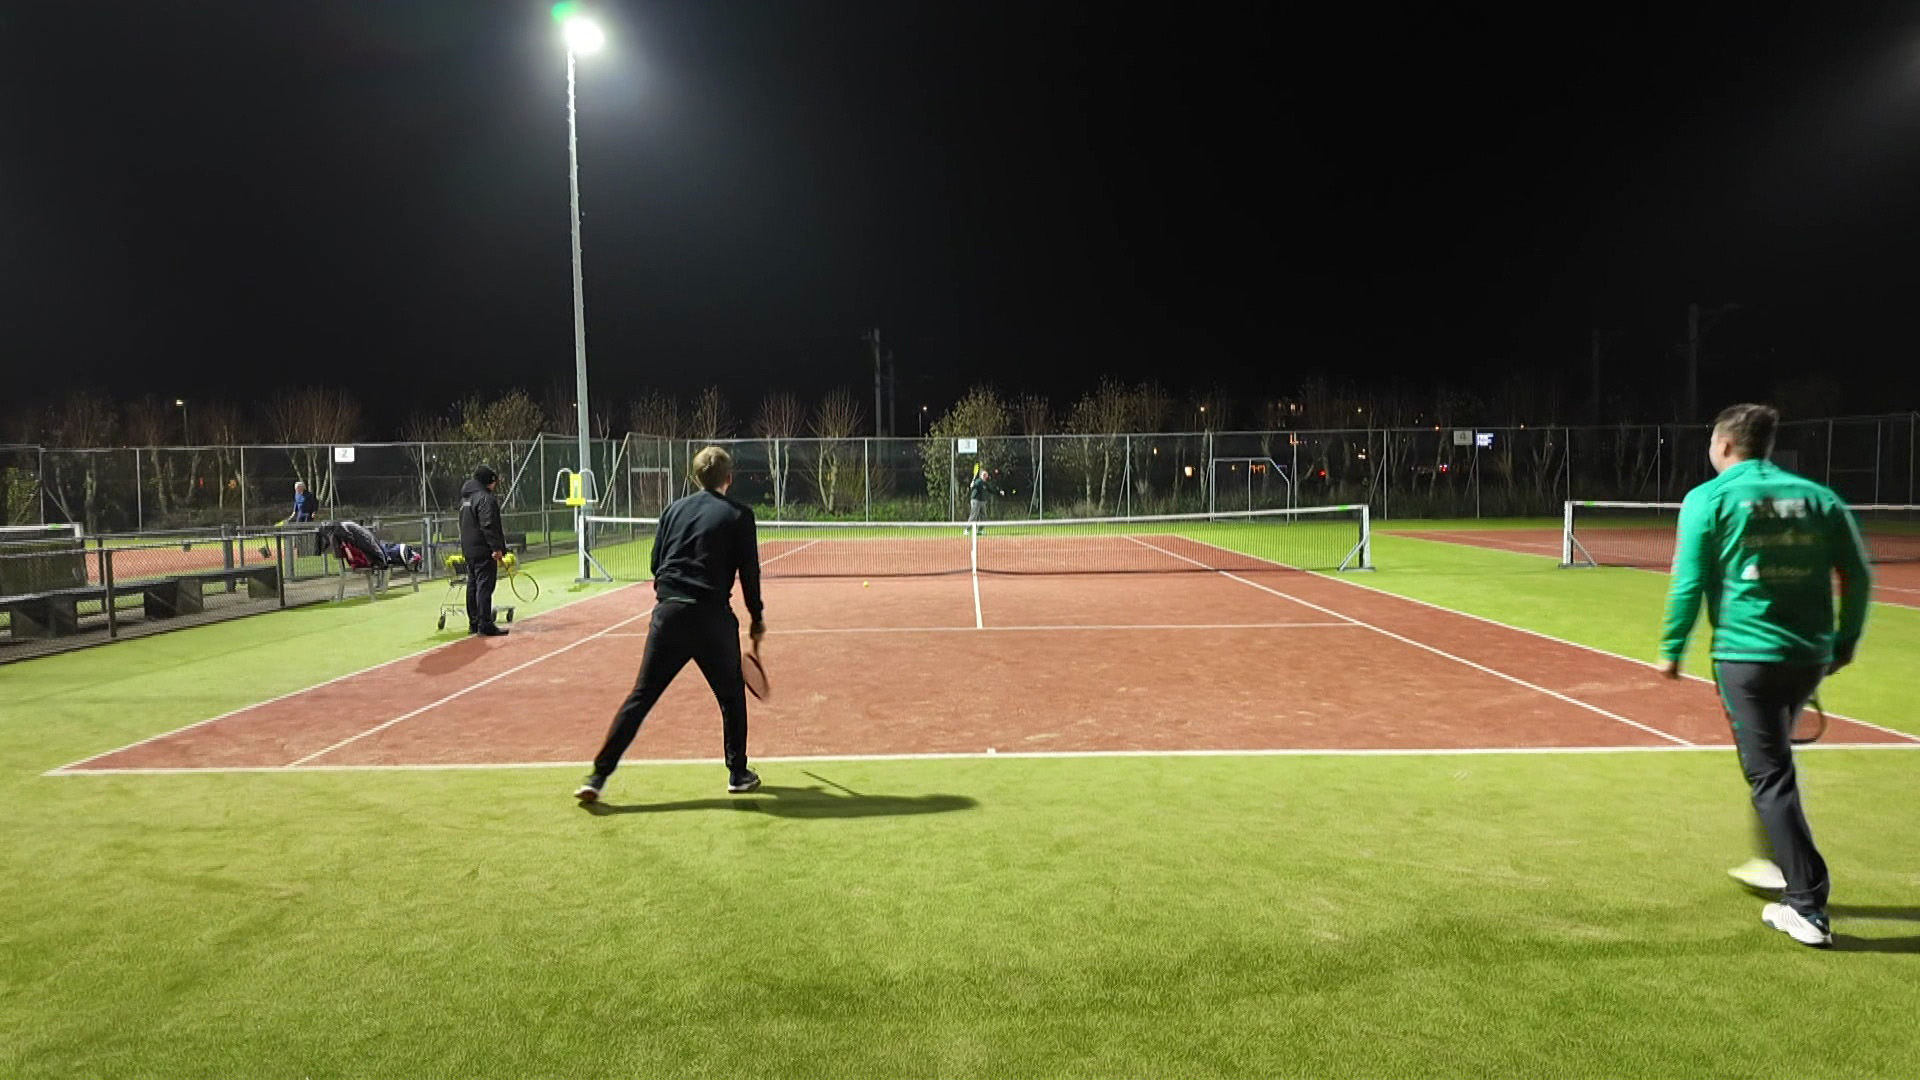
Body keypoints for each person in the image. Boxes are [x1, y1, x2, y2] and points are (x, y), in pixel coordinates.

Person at [1657, 403, 1871, 948]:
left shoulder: (1708, 498)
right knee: (1773, 764)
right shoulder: (1819, 498)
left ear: (1725, 445)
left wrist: (1672, 648)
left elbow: (1689, 580)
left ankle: (1806, 905)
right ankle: (1776, 859)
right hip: (1808, 656)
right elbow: (1858, 574)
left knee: (1770, 775)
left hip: (1746, 657)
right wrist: (1845, 641)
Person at [576, 446, 766, 802]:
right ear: (729, 478)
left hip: (668, 616)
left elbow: (656, 564)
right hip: (712, 619)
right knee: (731, 697)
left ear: (695, 477)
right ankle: (738, 773)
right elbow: (749, 573)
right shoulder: (740, 515)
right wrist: (756, 617)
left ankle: (597, 777)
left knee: (641, 696)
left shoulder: (672, 510)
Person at [458, 464, 509, 637]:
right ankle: (485, 623)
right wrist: (496, 548)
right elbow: (488, 524)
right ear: (489, 481)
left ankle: (474, 622)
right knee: (484, 586)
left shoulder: (465, 499)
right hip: (483, 549)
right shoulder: (485, 498)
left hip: (469, 548)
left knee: (473, 585)